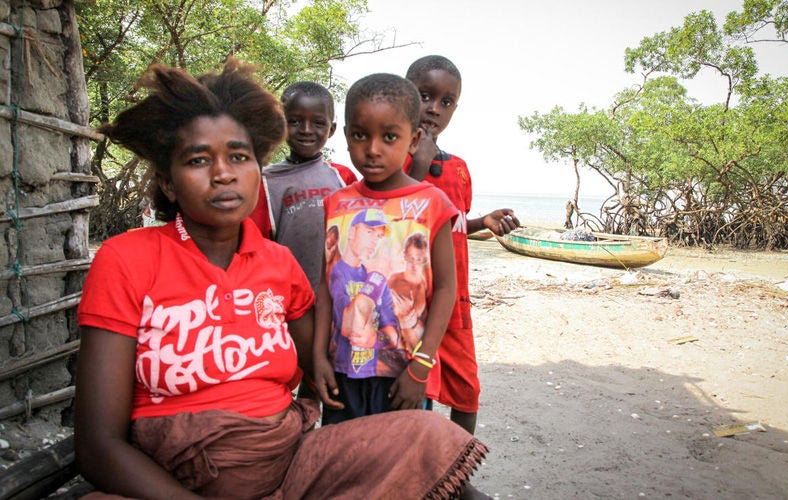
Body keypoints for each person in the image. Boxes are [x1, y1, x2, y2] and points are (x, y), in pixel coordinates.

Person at [74, 59, 487, 499]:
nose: (223, 173)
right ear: (168, 183)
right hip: (177, 479)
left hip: (291, 470)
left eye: (239, 156)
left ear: (259, 170)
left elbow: (327, 358)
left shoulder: (279, 263)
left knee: (427, 437)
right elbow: (99, 446)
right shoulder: (127, 258)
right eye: (198, 160)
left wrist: (411, 361)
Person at [313, 73, 459, 426]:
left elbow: (445, 289)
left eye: (389, 136)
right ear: (347, 136)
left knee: (400, 469)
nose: (373, 149)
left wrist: (421, 366)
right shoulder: (336, 203)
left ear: (414, 140)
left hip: (403, 374)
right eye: (361, 135)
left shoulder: (432, 203)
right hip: (343, 370)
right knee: (345, 463)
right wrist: (317, 356)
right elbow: (325, 287)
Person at [405, 55, 521, 434]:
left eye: (446, 101)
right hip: (408, 301)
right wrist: (418, 165)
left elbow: (447, 226)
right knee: (413, 391)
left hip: (454, 299)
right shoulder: (389, 159)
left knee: (466, 389)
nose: (434, 109)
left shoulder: (458, 168)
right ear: (407, 96)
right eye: (425, 96)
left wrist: (480, 222)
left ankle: (457, 473)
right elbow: (398, 223)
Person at [253, 81, 357, 293]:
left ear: (332, 129)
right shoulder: (264, 181)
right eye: (295, 121)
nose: (306, 130)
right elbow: (257, 246)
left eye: (318, 123)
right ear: (280, 124)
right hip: (288, 296)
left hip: (340, 294)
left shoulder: (342, 176)